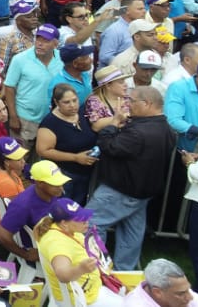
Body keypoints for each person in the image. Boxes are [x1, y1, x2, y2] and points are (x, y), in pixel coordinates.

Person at [85, 86, 177, 270]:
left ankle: (97, 270)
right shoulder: (166, 128)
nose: (127, 105)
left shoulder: (138, 132)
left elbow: (108, 146)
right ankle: (125, 275)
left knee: (89, 225)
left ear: (147, 104)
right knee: (131, 233)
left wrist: (113, 123)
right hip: (142, 193)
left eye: (131, 101)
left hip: (120, 190)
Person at [37, 198, 123, 307]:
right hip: (83, 300)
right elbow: (62, 274)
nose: (86, 221)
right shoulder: (57, 243)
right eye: (80, 219)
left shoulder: (66, 229)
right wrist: (81, 269)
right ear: (64, 223)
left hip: (94, 289)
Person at [37, 83, 99, 203]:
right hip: (65, 174)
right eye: (66, 102)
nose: (72, 105)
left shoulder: (83, 112)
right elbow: (43, 151)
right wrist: (75, 157)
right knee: (63, 206)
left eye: (74, 100)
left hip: (87, 173)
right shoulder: (50, 123)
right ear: (57, 102)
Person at [3, 23, 62, 146]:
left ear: (56, 43)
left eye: (45, 41)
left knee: (45, 154)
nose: (40, 43)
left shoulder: (62, 59)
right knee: (21, 155)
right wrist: (13, 117)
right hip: (25, 119)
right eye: (38, 39)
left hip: (53, 118)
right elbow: (9, 87)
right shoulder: (20, 59)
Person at [125, 259, 198, 307]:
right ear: (157, 292)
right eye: (181, 294)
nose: (190, 297)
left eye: (188, 289)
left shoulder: (177, 288)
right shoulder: (136, 304)